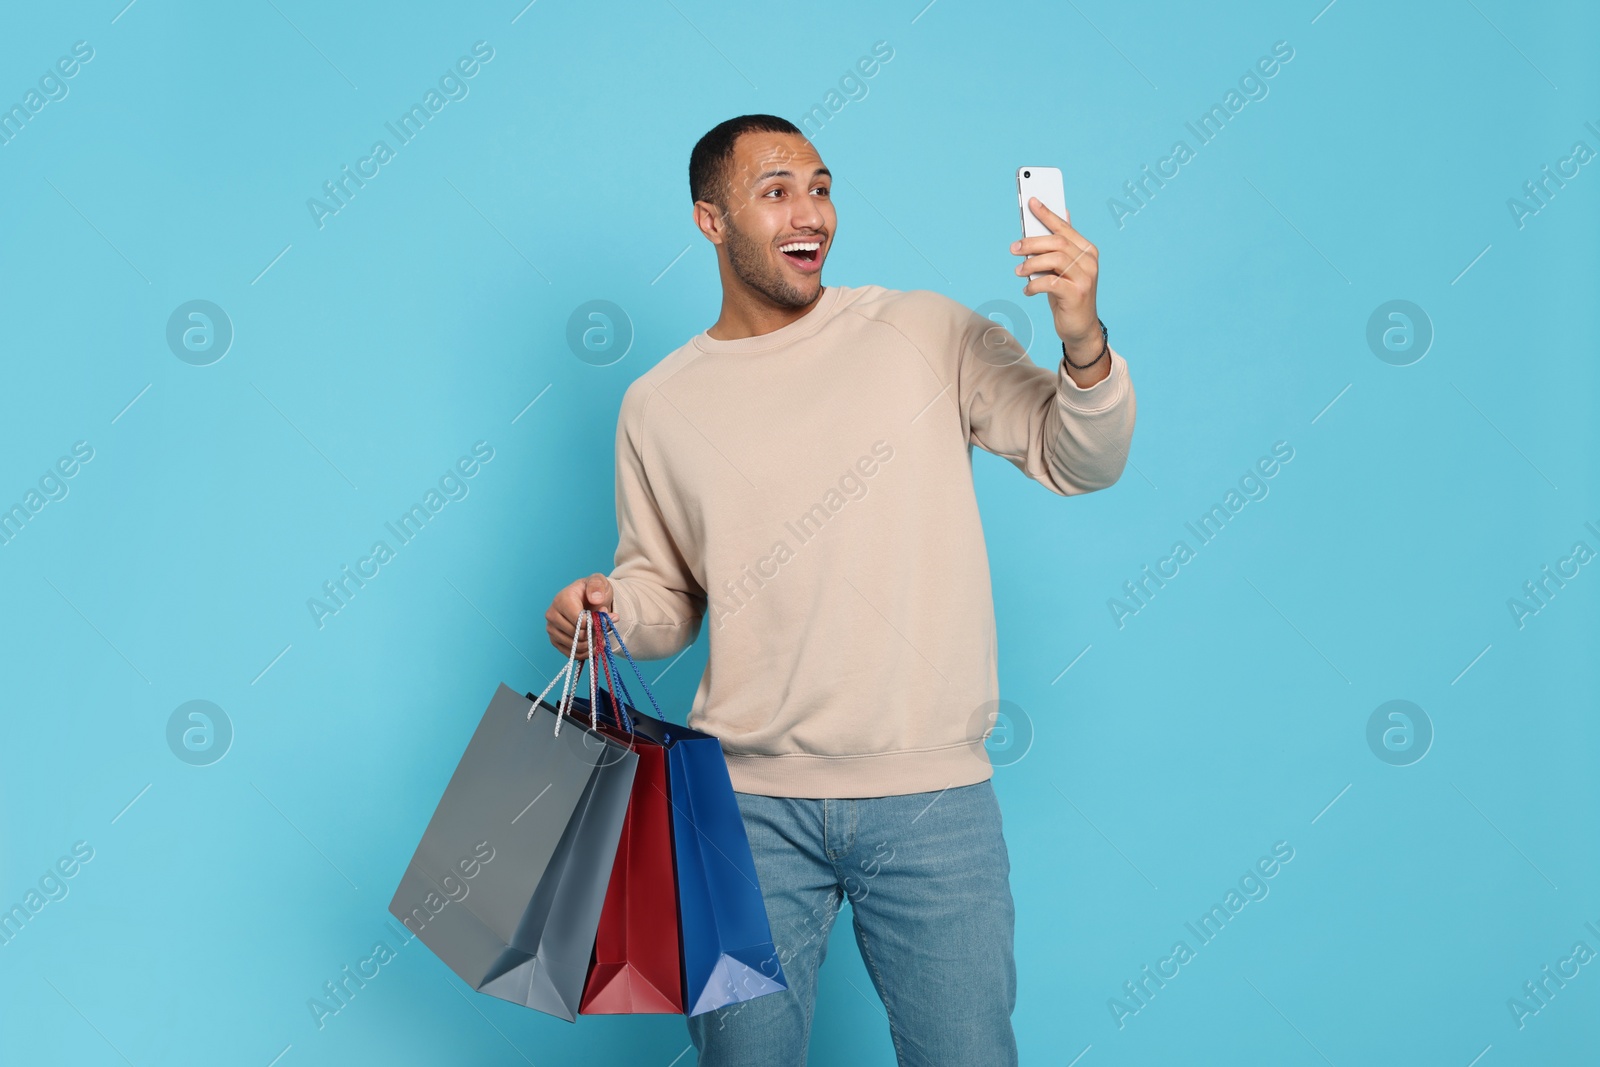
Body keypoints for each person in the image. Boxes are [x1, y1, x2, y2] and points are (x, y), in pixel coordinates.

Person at [544, 114, 1136, 1066]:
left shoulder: (923, 331)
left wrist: (1082, 339)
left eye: (819, 187)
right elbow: (665, 596)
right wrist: (604, 608)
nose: (809, 210)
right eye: (775, 190)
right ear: (711, 221)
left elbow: (1081, 459)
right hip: (742, 812)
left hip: (931, 800)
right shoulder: (658, 402)